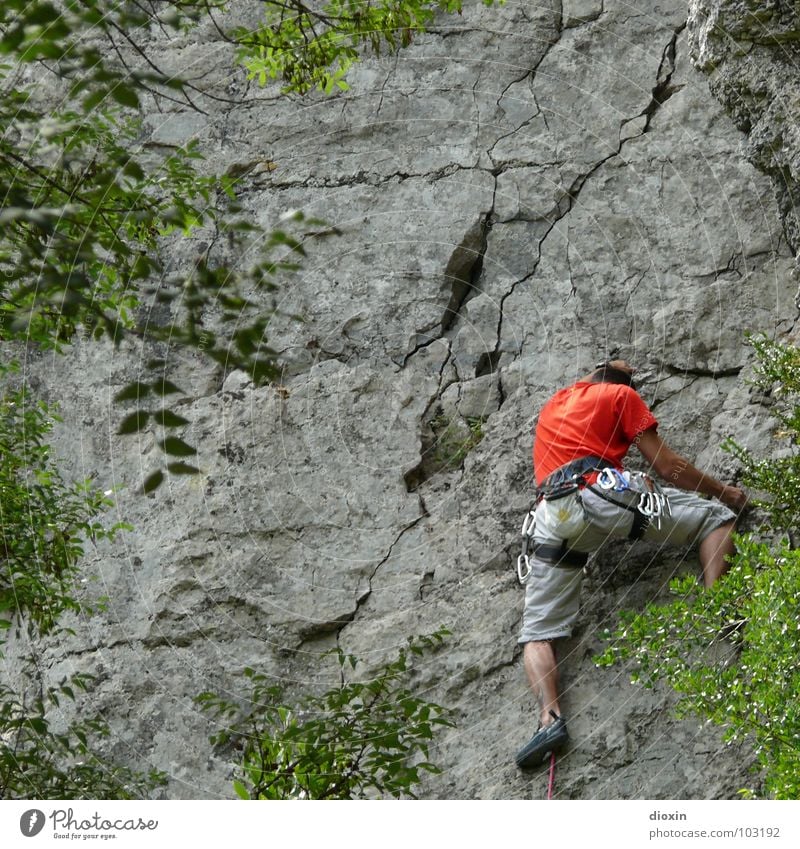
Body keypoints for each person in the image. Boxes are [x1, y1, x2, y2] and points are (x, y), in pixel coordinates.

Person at [515, 360, 748, 769]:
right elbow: (667, 466)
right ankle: (720, 608)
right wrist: (722, 491)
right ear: (623, 383)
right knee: (716, 519)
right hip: (600, 494)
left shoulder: (553, 405)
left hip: (551, 515)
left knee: (538, 633)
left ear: (589, 378)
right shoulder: (622, 396)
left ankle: (548, 719)